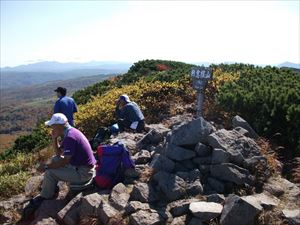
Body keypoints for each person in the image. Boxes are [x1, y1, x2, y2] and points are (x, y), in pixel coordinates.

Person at [36, 113, 96, 201]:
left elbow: (64, 162)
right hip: (82, 167)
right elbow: (58, 154)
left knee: (50, 173)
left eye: (52, 126)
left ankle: (45, 197)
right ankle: (51, 188)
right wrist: (54, 138)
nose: (52, 128)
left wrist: (45, 167)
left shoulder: (70, 137)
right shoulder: (71, 132)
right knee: (55, 159)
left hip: (83, 173)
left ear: (59, 125)